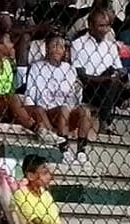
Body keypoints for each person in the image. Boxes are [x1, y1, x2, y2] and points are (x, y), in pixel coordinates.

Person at [72, 6, 130, 137]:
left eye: (107, 26)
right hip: (90, 88)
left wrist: (124, 75)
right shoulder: (78, 44)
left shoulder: (110, 45)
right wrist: (108, 79)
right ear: (90, 25)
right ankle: (105, 124)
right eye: (101, 26)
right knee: (112, 81)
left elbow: (118, 68)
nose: (104, 30)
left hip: (111, 85)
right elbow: (82, 76)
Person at [25, 34, 94, 164]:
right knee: (63, 109)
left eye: (61, 46)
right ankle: (64, 148)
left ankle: (81, 151)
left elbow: (75, 99)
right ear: (47, 48)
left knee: (85, 111)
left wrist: (78, 90)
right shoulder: (37, 67)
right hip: (48, 111)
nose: (58, 49)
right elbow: (31, 95)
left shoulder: (70, 69)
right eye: (54, 45)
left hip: (68, 109)